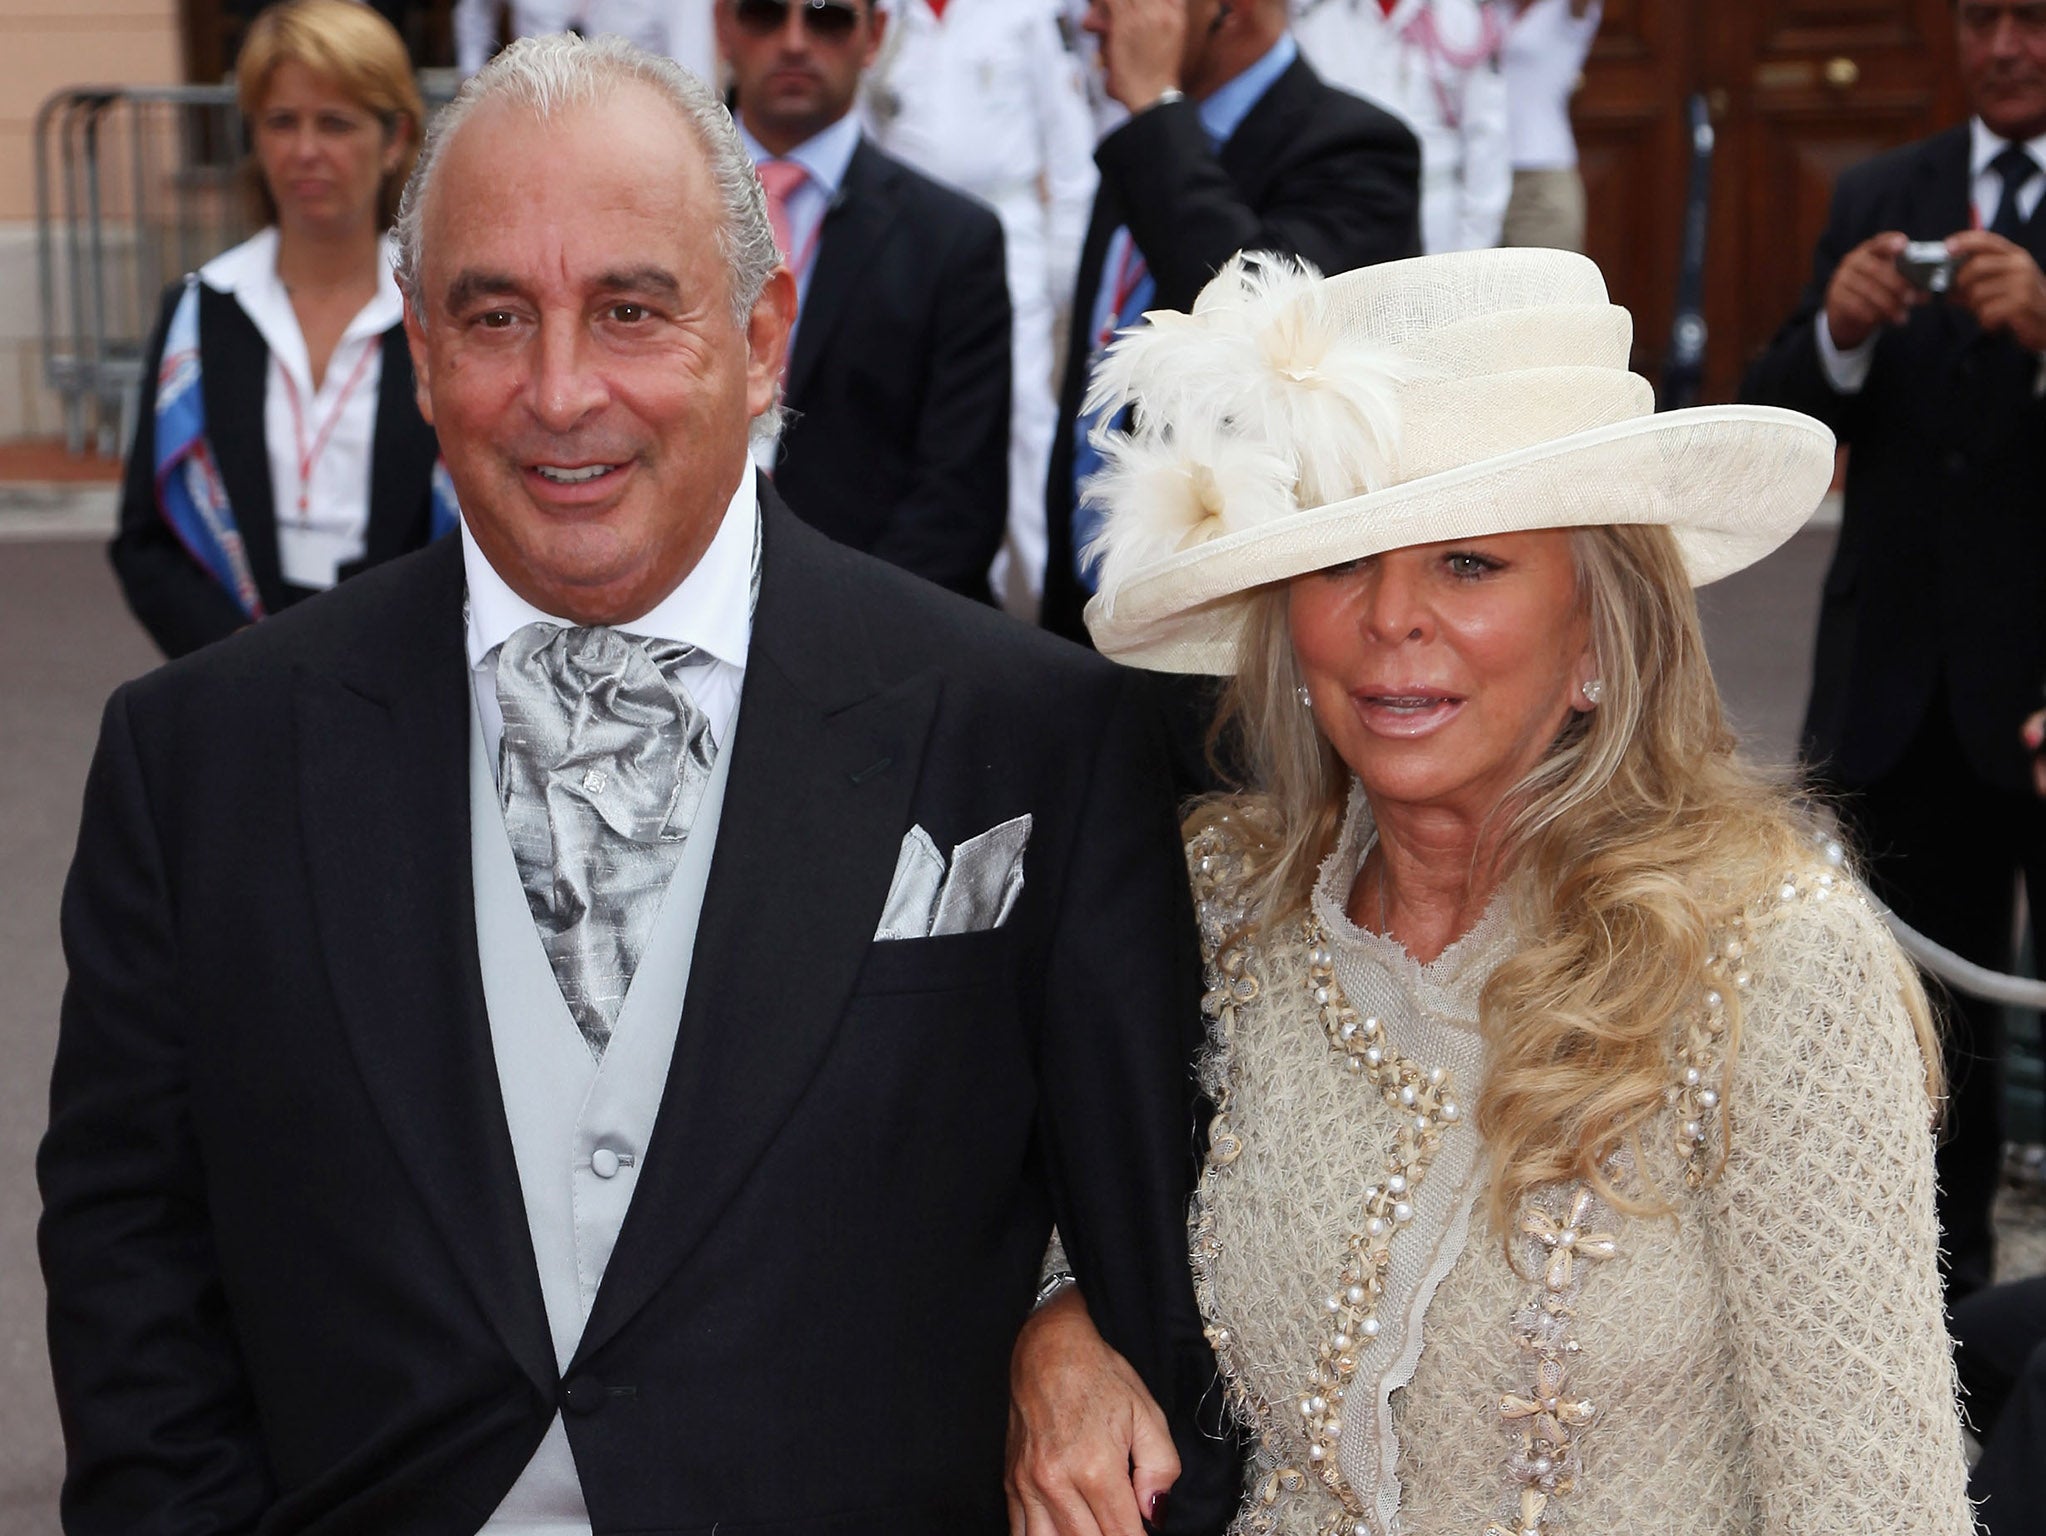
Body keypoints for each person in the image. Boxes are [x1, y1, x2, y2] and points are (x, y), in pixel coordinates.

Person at [40, 34, 1238, 1535]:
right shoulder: (197, 757)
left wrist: (1057, 1310)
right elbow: (132, 1269)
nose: (560, 391)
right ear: (418, 351)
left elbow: (1142, 1206)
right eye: (494, 316)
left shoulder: (1027, 732)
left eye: (628, 310)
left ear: (758, 337)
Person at [1002, 246, 1974, 1533]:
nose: (1389, 618)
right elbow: (1064, 1183)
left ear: (1597, 630)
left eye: (1468, 562)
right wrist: (1057, 1331)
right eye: (1343, 562)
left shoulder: (1771, 964)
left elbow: (1876, 1505)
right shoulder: (1221, 905)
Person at [1739, 0, 2046, 1301]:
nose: (2004, 46)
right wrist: (1839, 333)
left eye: (2030, 18)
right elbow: (1777, 411)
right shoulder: (1879, 188)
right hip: (1902, 689)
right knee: (1918, 1025)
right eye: (1981, 17)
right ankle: (1940, 1298)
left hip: (2032, 688)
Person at [1041, 0, 1421, 647]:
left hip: (1234, 631)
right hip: (1086, 613)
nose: (1094, 23)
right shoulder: (1151, 138)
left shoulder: (1357, 148)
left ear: (1230, 12)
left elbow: (1251, 321)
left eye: (1120, 3)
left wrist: (1157, 114)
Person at [112, 0, 443, 660]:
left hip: (405, 652)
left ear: (396, 138)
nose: (306, 150)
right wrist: (235, 651)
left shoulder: (436, 312)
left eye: (336, 123)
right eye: (282, 122)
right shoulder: (201, 312)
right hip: (239, 665)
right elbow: (143, 539)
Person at [718, 0, 1012, 604]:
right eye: (765, 14)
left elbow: (956, 504)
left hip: (874, 631)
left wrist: (844, 638)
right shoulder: (644, 214)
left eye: (827, 17)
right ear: (723, 24)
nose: (795, 42)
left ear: (874, 34)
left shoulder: (953, 241)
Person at [862, 0, 1099, 619]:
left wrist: (1065, 275)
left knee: (1025, 419)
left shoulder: (1021, 13)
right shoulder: (884, 16)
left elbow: (1068, 146)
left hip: (1008, 229)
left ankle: (1046, 598)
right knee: (905, 407)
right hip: (903, 234)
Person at [1292, 0, 1510, 257]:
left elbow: (1485, 138)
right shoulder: (1316, 17)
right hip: (1340, 222)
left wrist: (1474, 248)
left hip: (1440, 226)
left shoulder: (1460, 16)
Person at [1497, 0, 1600, 253]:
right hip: (1477, 172)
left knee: (1543, 288)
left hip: (1539, 178)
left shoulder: (1568, 9)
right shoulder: (1489, 8)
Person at [452, 0, 718, 80]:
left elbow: (695, 79)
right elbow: (473, 14)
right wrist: (472, 79)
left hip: (628, 126)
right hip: (533, 110)